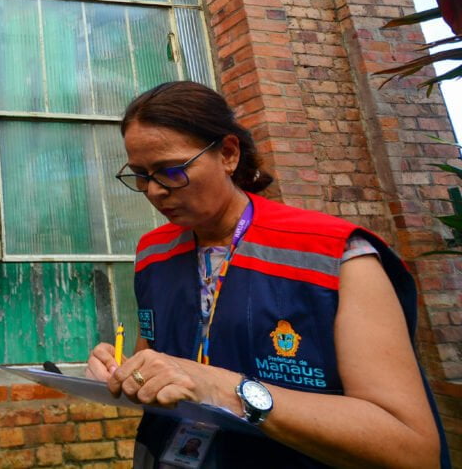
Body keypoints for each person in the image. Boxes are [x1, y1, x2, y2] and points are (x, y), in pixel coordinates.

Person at [85, 81, 448, 469]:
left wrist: (228, 389)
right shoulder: (153, 252)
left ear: (227, 154)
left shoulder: (335, 255)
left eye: (171, 171)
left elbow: (411, 447)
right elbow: (157, 357)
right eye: (140, 175)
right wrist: (126, 371)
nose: (155, 192)